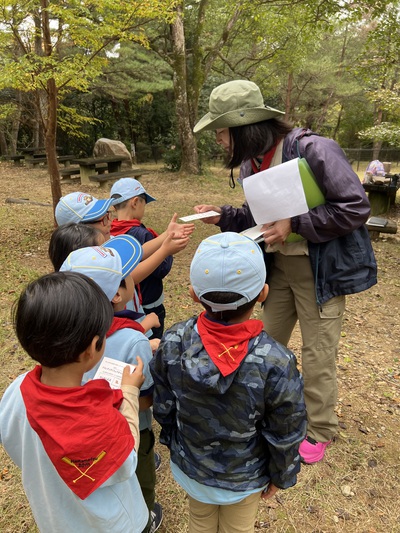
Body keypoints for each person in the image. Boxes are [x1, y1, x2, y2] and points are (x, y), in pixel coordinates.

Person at [193, 79, 377, 464]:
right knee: (264, 341)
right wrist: (224, 216)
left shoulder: (312, 149)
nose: (220, 141)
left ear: (244, 127)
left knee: (318, 353)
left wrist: (294, 225)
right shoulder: (251, 164)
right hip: (278, 271)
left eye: (222, 132)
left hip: (319, 272)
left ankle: (319, 427)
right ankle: (269, 407)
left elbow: (355, 208)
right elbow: (261, 219)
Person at [150, 232, 306, 533]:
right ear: (263, 293)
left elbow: (164, 405)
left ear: (194, 293)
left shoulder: (172, 341)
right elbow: (286, 429)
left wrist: (174, 442)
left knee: (200, 522)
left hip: (193, 468)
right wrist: (282, 474)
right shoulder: (275, 361)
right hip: (244, 478)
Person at [0, 270, 149, 533]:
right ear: (93, 348)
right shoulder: (94, 420)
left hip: (55, 519)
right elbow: (126, 460)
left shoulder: (15, 390)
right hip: (111, 525)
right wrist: (128, 391)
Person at [60, 235, 163, 532]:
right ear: (118, 294)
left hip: (85, 430)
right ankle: (145, 516)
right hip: (133, 428)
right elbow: (145, 400)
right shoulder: (133, 338)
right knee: (140, 472)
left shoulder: (66, 333)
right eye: (127, 274)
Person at [47, 222, 158, 339]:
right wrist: (145, 329)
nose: (108, 252)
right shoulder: (102, 324)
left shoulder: (62, 309)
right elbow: (120, 342)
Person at [110, 178, 172, 339]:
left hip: (125, 304)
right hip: (150, 304)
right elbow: (162, 268)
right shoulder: (141, 234)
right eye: (144, 203)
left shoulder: (110, 231)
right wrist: (168, 249)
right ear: (135, 202)